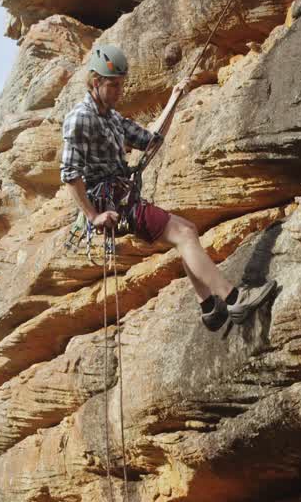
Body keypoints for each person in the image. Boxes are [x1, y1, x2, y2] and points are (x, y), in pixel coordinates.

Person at [60, 43, 277, 331]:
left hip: (122, 197)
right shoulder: (80, 118)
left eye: (121, 84)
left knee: (187, 230)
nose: (119, 91)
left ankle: (210, 308)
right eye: (113, 85)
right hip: (110, 203)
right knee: (184, 234)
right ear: (96, 82)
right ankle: (235, 299)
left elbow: (149, 140)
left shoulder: (111, 117)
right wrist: (93, 216)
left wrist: (175, 98)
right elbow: (70, 173)